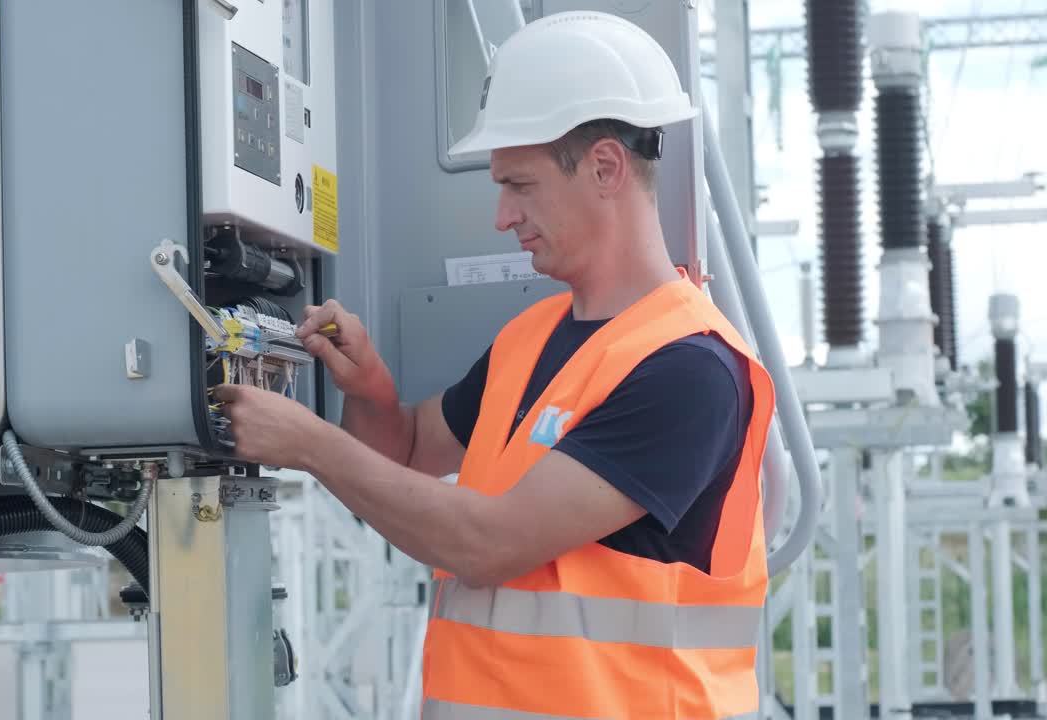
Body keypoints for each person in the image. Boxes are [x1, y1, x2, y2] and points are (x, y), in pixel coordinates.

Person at [212, 11, 776, 720]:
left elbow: (489, 542)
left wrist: (305, 441)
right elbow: (409, 450)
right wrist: (370, 388)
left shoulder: (689, 370)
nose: (502, 216)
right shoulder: (533, 338)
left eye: (520, 185)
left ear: (606, 167)